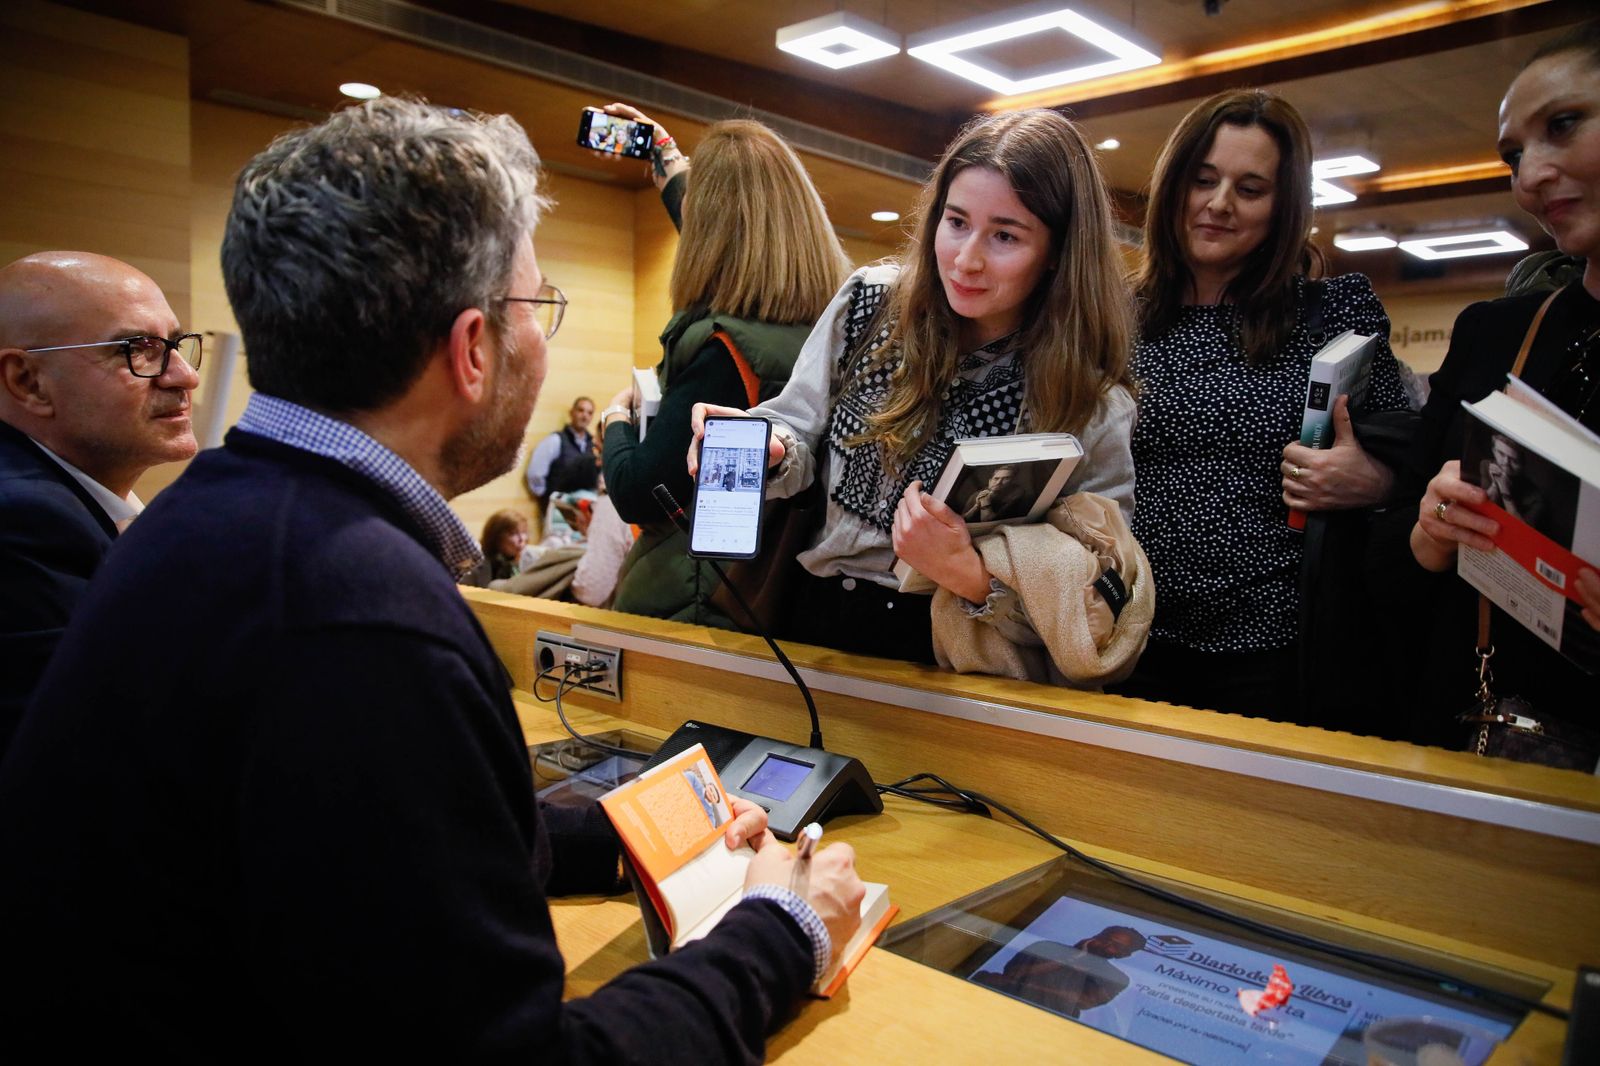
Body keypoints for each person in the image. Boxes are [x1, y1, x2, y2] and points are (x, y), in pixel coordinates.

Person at [0, 97, 864, 1060]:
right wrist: (782, 931)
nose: (542, 338)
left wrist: (637, 843)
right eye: (538, 307)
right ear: (472, 349)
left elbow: (384, 859)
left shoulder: (214, 517)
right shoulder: (365, 624)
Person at [693, 109, 1139, 668]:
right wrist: (770, 447)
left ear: (1057, 253)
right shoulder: (870, 305)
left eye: (1004, 235)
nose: (966, 258)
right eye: (956, 222)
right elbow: (796, 425)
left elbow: (1097, 584)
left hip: (952, 647)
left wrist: (971, 575)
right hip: (811, 613)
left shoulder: (1089, 400)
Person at [1110, 89, 1413, 723]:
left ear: (1283, 207)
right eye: (1203, 180)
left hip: (1274, 646)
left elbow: (1415, 448)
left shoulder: (1331, 315)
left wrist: (1374, 480)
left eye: (1250, 190)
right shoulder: (1115, 315)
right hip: (1128, 634)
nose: (1219, 205)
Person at [1402, 20, 1600, 766]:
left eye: (1564, 126)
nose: (1530, 176)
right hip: (1494, 742)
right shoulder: (1494, 334)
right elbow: (1397, 565)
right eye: (1514, 154)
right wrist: (1426, 538)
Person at [593, 106, 850, 627]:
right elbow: (737, 232)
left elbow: (643, 493)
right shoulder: (830, 335)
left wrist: (615, 420)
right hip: (774, 594)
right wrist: (666, 155)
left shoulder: (724, 354)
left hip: (694, 597)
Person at [0, 251, 201, 756]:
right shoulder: (24, 518)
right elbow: (104, 753)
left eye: (175, 345)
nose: (183, 376)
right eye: (137, 349)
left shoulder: (64, 501)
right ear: (28, 381)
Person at [525, 394, 598, 503]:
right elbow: (535, 473)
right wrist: (547, 497)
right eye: (581, 410)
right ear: (571, 412)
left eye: (589, 413)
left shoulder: (594, 445)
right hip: (557, 508)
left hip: (585, 509)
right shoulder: (556, 440)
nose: (585, 416)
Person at [479, 507, 530, 581]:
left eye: (524, 532)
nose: (522, 539)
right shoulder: (480, 564)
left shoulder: (530, 558)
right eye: (513, 533)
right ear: (496, 538)